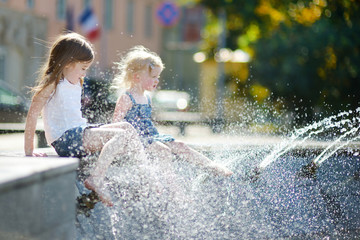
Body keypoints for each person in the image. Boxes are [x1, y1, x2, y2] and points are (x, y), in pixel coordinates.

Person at [24, 32, 149, 206]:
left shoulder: (76, 83)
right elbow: (32, 114)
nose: (84, 73)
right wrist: (29, 150)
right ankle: (96, 178)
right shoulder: (53, 84)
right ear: (68, 63)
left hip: (79, 132)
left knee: (127, 128)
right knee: (119, 136)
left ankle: (147, 177)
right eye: (83, 68)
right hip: (66, 139)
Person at [112, 45, 233, 177]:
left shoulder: (146, 98)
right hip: (137, 140)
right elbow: (115, 125)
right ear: (137, 77)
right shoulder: (126, 98)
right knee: (163, 150)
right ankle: (170, 187)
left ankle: (211, 166)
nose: (157, 80)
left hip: (151, 137)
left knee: (180, 145)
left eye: (158, 76)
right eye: (153, 76)